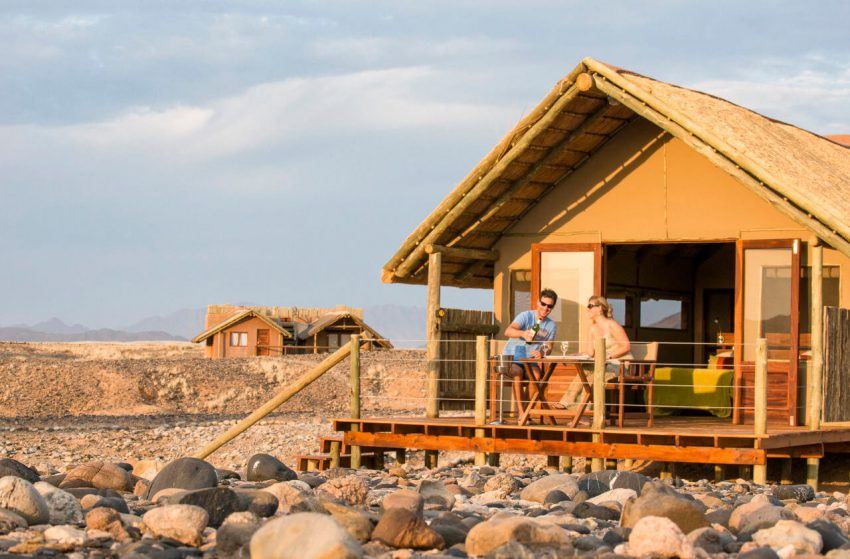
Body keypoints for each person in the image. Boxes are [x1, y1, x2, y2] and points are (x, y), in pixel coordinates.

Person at [553, 295, 633, 409]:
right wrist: (575, 355)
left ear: (600, 308)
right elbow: (590, 353)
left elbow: (626, 346)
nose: (588, 308)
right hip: (602, 364)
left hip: (619, 364)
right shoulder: (592, 328)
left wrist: (609, 356)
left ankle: (582, 413)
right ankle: (568, 403)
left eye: (590, 306)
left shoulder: (612, 324)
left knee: (593, 376)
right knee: (585, 369)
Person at [501, 288, 558, 418]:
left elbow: (549, 346)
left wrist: (542, 352)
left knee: (537, 376)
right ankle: (522, 413)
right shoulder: (526, 315)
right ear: (538, 302)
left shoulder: (551, 325)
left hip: (529, 360)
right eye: (543, 304)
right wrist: (522, 333)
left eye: (549, 306)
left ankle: (527, 411)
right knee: (518, 372)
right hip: (513, 357)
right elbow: (508, 331)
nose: (545, 308)